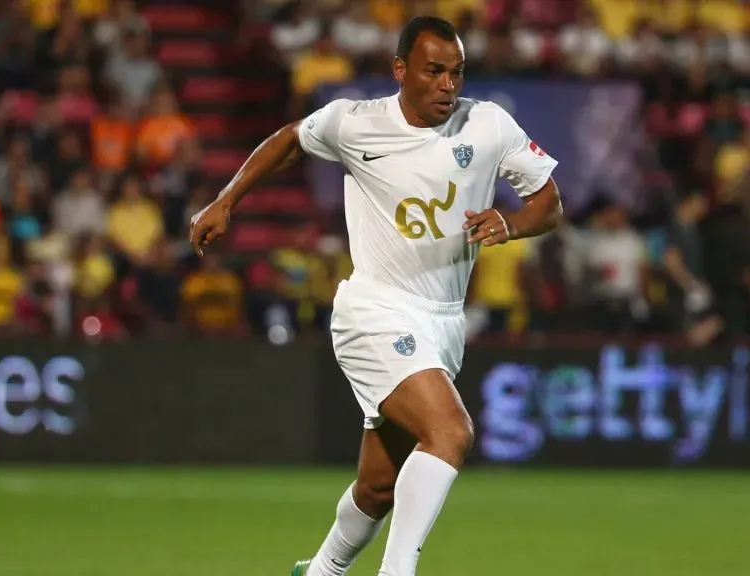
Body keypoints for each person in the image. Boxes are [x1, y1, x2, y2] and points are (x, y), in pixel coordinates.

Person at [188, 16, 562, 576]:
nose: (447, 85)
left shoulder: (487, 125)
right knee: (450, 432)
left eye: (456, 73)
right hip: (374, 309)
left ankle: (320, 571)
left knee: (379, 485)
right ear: (401, 70)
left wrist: (510, 225)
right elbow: (291, 138)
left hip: (442, 322)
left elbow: (548, 202)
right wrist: (226, 200)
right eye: (433, 71)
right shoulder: (355, 123)